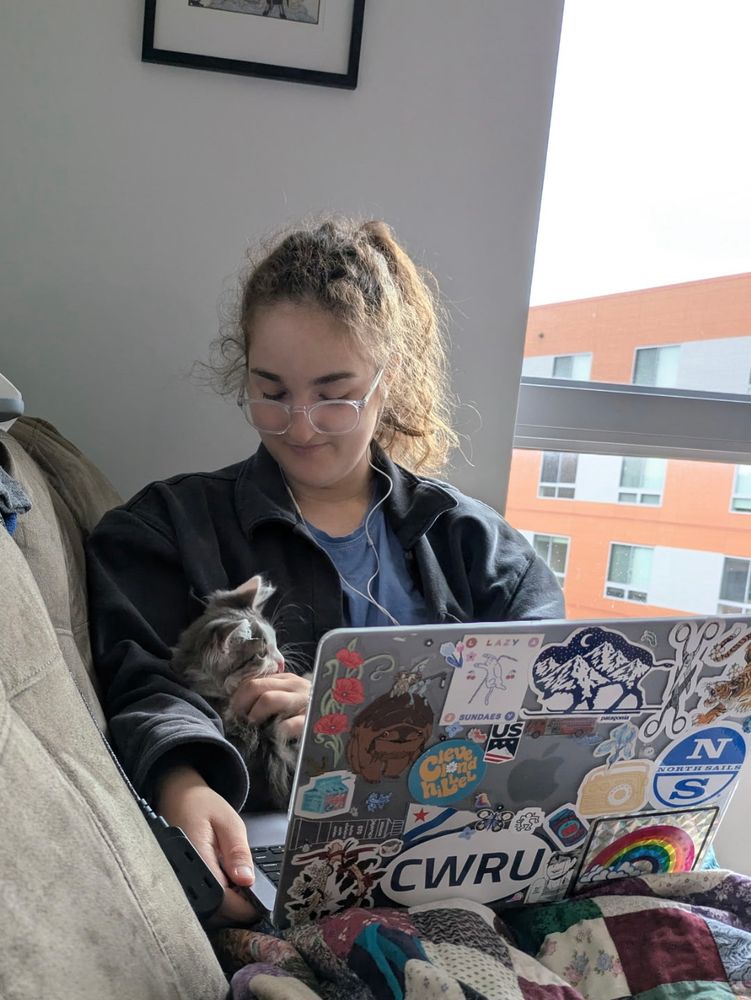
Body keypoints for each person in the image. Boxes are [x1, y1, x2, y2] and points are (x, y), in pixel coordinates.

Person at [86, 216, 564, 924]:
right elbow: (142, 682)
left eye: (334, 393)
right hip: (276, 851)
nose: (300, 426)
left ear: (387, 378)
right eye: (271, 391)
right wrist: (183, 783)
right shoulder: (166, 529)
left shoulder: (476, 547)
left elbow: (547, 713)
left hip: (465, 856)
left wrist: (352, 720)